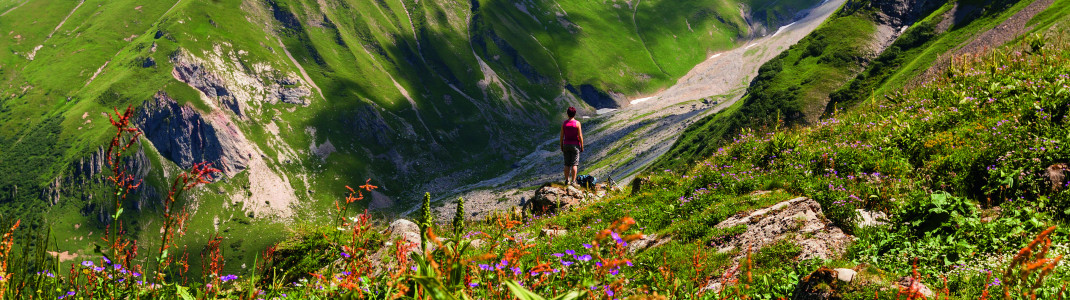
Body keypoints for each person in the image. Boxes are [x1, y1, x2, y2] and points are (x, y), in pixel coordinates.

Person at [560, 107, 584, 185]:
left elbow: (561, 136)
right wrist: (582, 146)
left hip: (566, 145)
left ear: (567, 114)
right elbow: (580, 136)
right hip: (575, 145)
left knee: (567, 164)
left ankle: (567, 180)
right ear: (575, 114)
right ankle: (573, 181)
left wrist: (561, 146)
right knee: (574, 164)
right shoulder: (577, 123)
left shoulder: (564, 123)